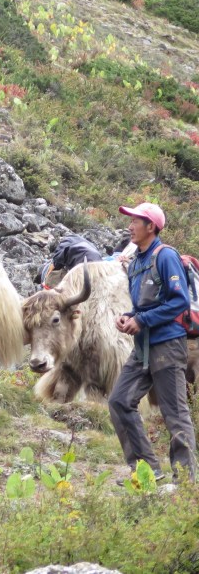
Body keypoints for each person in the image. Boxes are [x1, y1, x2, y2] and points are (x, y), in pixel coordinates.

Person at [109, 202, 197, 483]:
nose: (130, 225)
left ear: (152, 227)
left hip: (168, 345)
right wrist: (128, 317)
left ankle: (185, 482)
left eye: (136, 221)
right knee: (120, 401)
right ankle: (147, 472)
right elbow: (143, 305)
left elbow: (179, 300)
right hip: (142, 347)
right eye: (130, 220)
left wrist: (143, 320)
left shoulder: (165, 255)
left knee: (175, 413)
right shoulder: (135, 262)